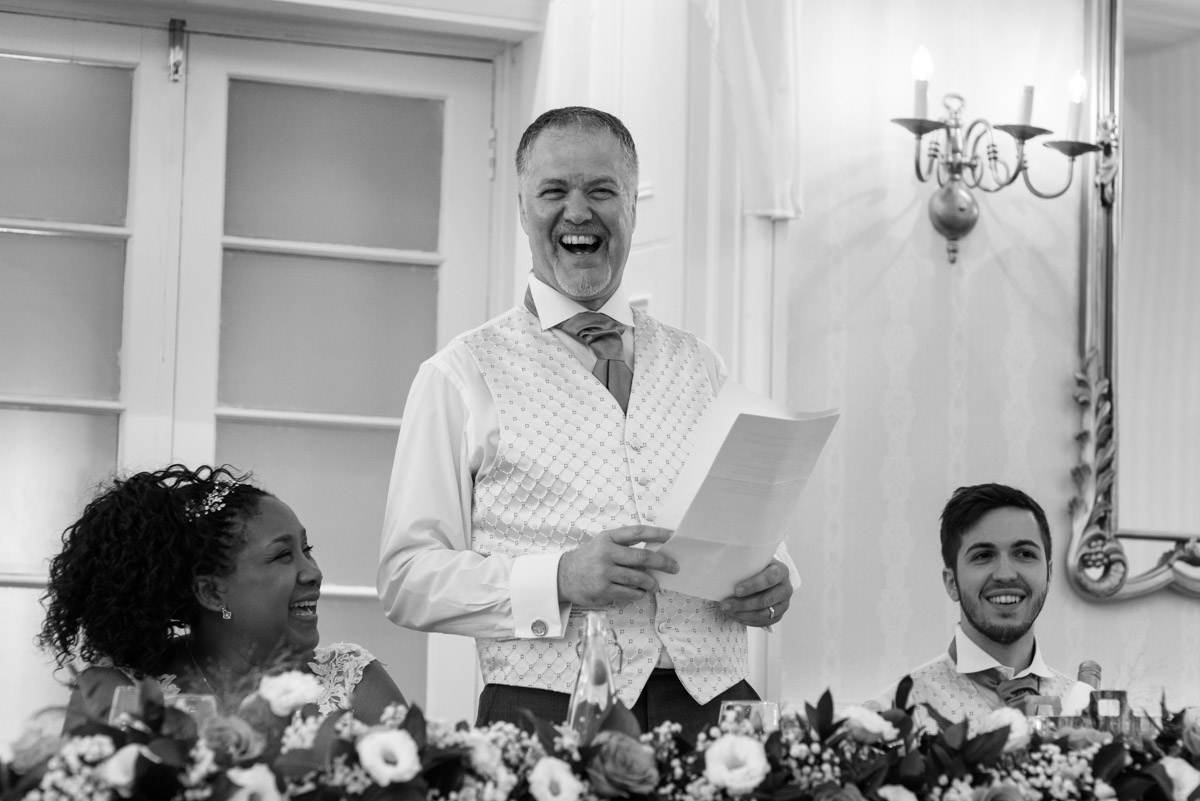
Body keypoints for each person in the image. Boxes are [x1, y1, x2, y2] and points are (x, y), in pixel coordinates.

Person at [378, 106, 799, 742]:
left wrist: (776, 580)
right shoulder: (458, 375)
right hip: (547, 711)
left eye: (601, 190)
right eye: (554, 191)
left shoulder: (700, 364)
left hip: (719, 708)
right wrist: (559, 578)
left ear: (632, 205)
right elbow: (408, 578)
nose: (579, 212)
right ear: (523, 210)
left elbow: (755, 529)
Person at [39, 464, 406, 728]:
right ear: (212, 592)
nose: (314, 572)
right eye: (282, 555)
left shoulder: (351, 680)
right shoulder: (118, 691)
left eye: (307, 549)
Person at [887, 483, 1089, 733]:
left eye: (1025, 553)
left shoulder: (1084, 707)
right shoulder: (894, 714)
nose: (1005, 574)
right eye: (983, 555)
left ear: (1048, 574)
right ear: (952, 583)